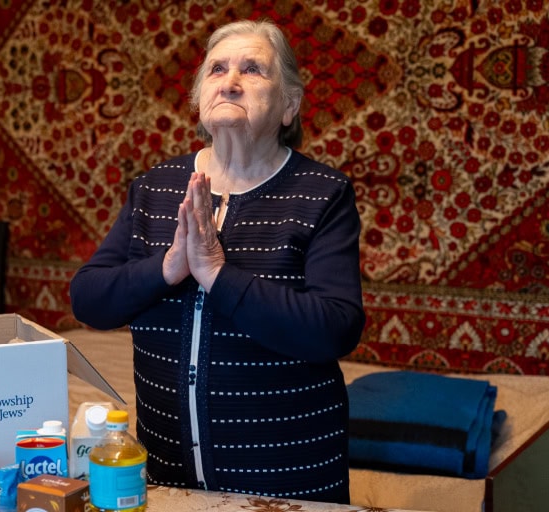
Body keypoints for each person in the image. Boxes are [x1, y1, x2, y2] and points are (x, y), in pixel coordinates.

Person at [69, 19, 365, 504]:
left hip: (290, 479)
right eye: (217, 69)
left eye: (253, 70)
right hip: (168, 474)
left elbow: (336, 327)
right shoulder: (154, 187)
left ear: (289, 105)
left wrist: (218, 275)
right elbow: (88, 299)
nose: (230, 81)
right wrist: (168, 268)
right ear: (199, 100)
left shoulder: (322, 194)